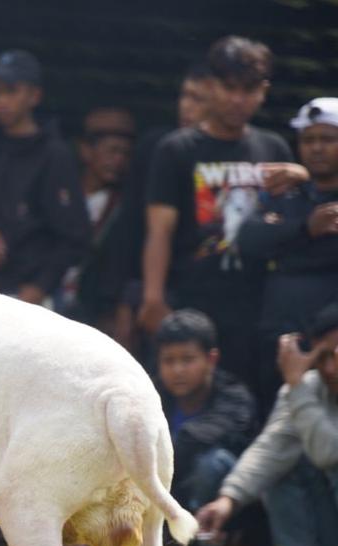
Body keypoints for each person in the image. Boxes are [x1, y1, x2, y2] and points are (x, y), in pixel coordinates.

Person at [139, 36, 305, 398]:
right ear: (210, 86)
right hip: (194, 298)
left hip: (258, 303)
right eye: (229, 88)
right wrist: (153, 296)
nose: (237, 99)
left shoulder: (273, 149)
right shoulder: (177, 149)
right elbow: (159, 231)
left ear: (263, 91)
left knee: (254, 398)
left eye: (248, 90)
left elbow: (296, 227)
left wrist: (302, 177)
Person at [196, 303, 338, 546]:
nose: (330, 368)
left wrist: (297, 388)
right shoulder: (306, 388)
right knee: (283, 461)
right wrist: (227, 500)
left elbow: (330, 454)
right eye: (322, 357)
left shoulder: (300, 389)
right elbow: (270, 448)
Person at [93, 62, 212, 353]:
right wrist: (124, 300)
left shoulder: (254, 150)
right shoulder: (161, 147)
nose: (187, 107)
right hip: (158, 294)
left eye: (198, 99)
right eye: (185, 96)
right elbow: (131, 227)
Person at [237, 98, 338, 412]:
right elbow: (249, 239)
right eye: (309, 140)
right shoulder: (288, 194)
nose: (317, 148)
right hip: (276, 338)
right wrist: (306, 229)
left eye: (327, 139)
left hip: (328, 345)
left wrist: (286, 242)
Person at [0, 50, 90, 305]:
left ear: (34, 96)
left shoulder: (55, 155)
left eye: (10, 91)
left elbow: (74, 237)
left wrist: (38, 287)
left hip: (31, 297)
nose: (1, 101)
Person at [155, 310, 256, 514]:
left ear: (211, 359)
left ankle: (202, 541)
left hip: (225, 502)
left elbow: (190, 442)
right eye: (169, 361)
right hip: (169, 490)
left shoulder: (235, 398)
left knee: (212, 463)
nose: (178, 370)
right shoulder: (151, 397)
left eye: (187, 360)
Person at [70, 107, 135, 326]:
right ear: (86, 150)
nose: (118, 160)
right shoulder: (62, 195)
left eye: (125, 154)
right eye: (112, 151)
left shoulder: (124, 206)